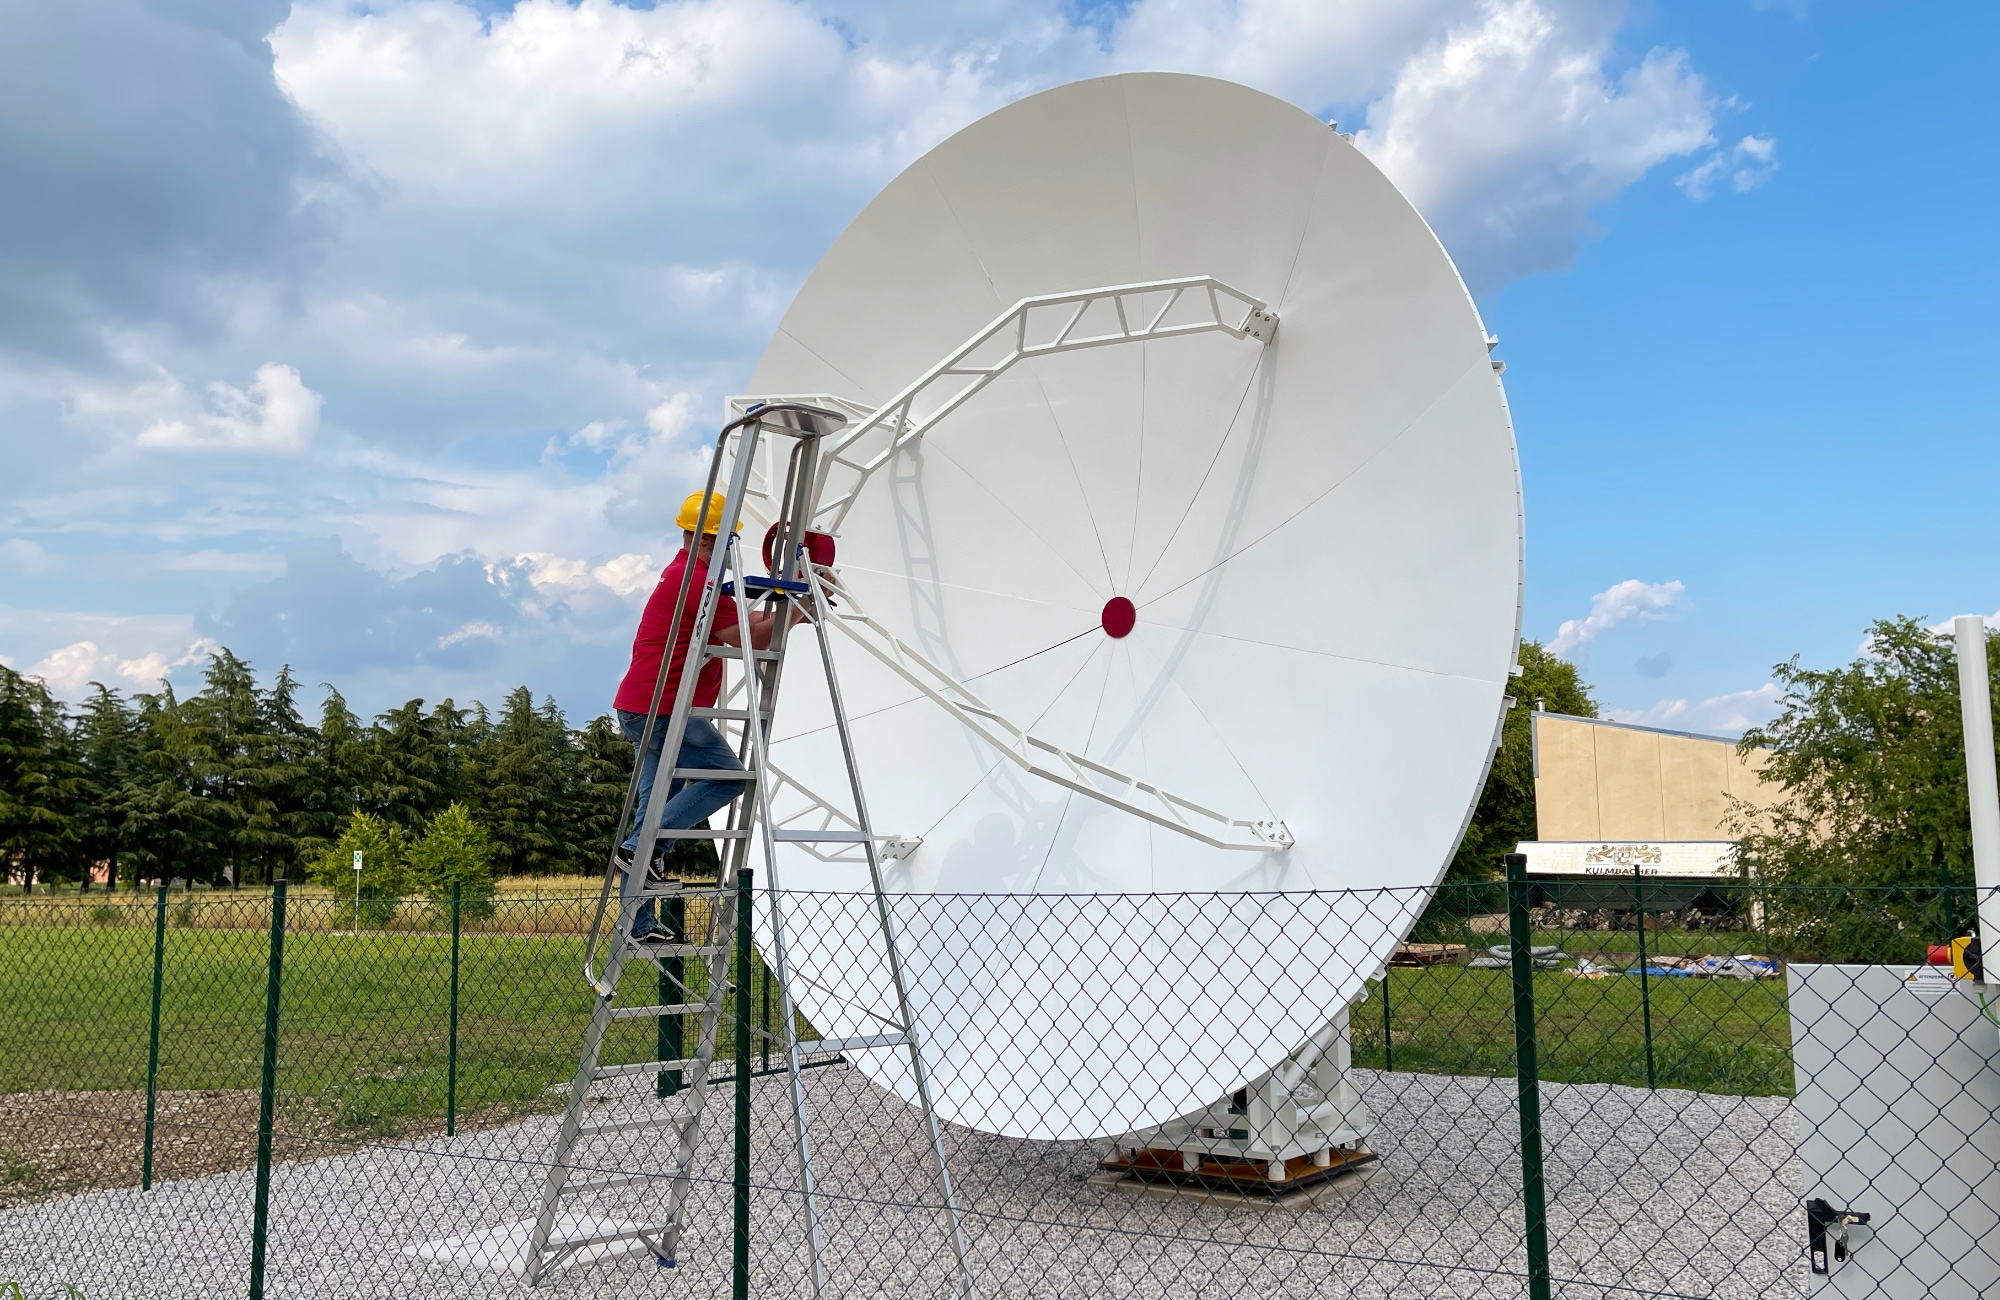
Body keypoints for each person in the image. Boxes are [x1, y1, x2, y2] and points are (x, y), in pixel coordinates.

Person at [611, 490, 802, 942]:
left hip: (644, 706)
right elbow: (742, 638)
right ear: (708, 541)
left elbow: (738, 627)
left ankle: (638, 922)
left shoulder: (687, 575)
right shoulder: (700, 582)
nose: (725, 550)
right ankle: (642, 850)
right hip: (666, 710)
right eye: (722, 542)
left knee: (650, 810)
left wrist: (780, 610)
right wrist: (795, 612)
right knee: (731, 779)